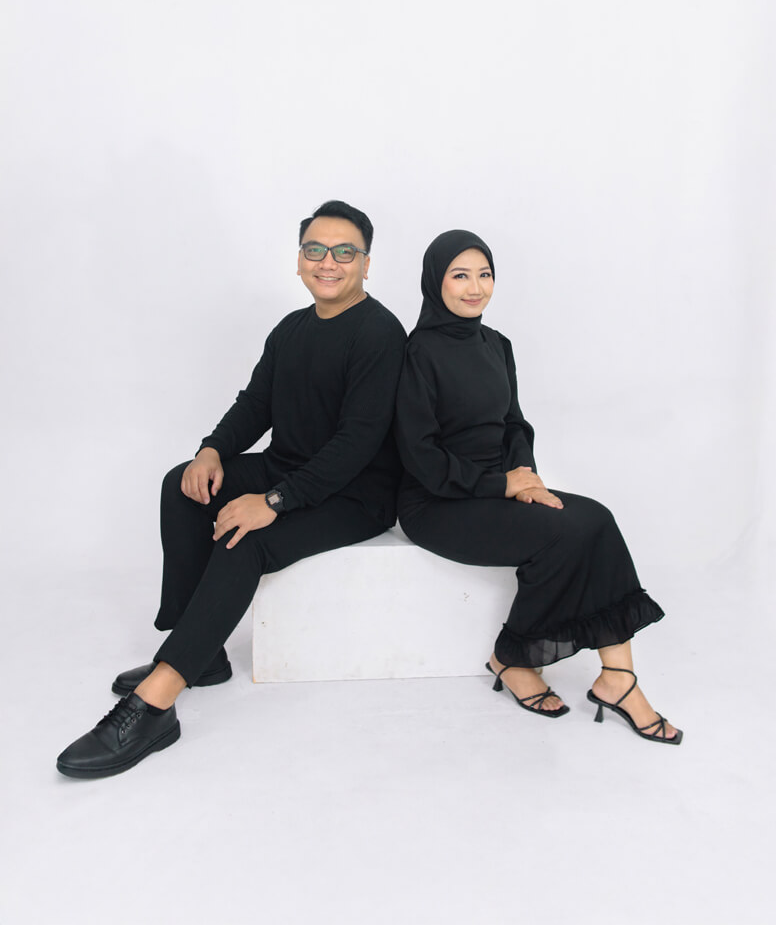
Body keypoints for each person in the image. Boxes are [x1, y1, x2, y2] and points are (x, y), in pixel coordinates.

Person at [57, 200, 406, 778]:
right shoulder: (291, 329)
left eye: (345, 252)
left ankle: (156, 703)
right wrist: (212, 451)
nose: (328, 262)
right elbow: (256, 404)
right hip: (289, 469)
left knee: (246, 539)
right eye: (315, 249)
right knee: (183, 486)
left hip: (355, 494)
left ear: (366, 264)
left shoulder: (379, 334)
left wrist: (273, 502)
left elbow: (356, 443)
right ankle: (200, 654)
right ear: (299, 259)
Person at [394, 229, 681, 744]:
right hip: (437, 502)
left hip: (499, 487)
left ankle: (618, 677)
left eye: (485, 274)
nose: (475, 287)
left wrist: (524, 476)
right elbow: (420, 456)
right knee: (563, 536)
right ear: (435, 282)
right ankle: (512, 657)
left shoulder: (496, 345)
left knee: (596, 519)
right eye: (460, 275)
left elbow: (514, 425)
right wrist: (500, 484)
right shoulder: (418, 353)